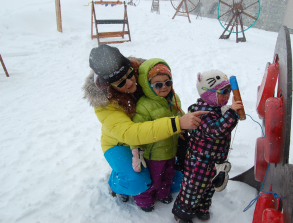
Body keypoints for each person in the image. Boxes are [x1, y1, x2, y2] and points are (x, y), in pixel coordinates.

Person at [83, 45, 208, 203]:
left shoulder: (144, 74)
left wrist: (181, 121)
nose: (130, 82)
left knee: (177, 181)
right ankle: (115, 181)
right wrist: (176, 124)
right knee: (138, 183)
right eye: (120, 83)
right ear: (109, 86)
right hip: (120, 143)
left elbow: (166, 100)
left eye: (130, 74)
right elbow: (130, 133)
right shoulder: (103, 102)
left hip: (151, 140)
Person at [172, 70, 244, 223]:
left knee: (209, 187)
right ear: (209, 94)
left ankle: (202, 208)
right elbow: (216, 131)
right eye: (223, 91)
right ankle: (182, 214)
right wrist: (231, 114)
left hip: (214, 161)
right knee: (192, 190)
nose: (227, 95)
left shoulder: (217, 109)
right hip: (199, 162)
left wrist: (229, 112)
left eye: (229, 91)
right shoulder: (201, 113)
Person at [130, 58, 184, 212]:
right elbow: (136, 131)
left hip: (171, 150)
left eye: (168, 83)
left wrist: (184, 126)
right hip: (153, 153)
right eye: (158, 85)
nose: (164, 88)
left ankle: (162, 194)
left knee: (168, 175)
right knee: (152, 179)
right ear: (148, 85)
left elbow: (180, 116)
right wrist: (136, 151)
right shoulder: (144, 105)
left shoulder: (173, 98)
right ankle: (144, 200)